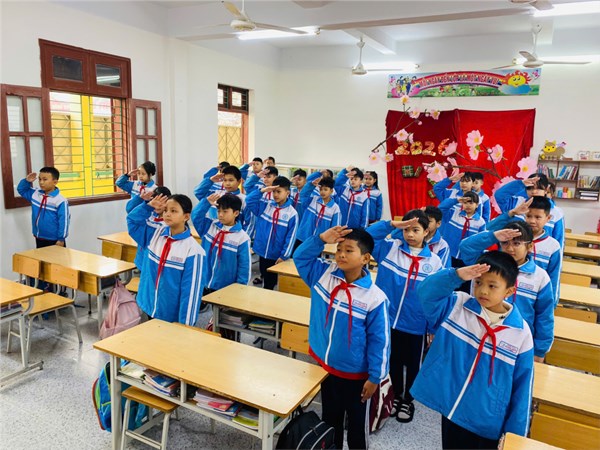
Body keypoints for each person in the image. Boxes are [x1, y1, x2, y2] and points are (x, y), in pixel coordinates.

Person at [411, 252, 534, 449]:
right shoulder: (458, 306)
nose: (483, 290)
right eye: (478, 282)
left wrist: (514, 437)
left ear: (509, 291)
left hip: (487, 420)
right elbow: (425, 291)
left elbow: (523, 390)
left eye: (492, 286)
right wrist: (457, 275)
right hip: (452, 408)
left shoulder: (520, 333)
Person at [294, 226, 390, 450]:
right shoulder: (323, 275)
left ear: (365, 258)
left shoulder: (374, 298)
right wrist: (320, 239)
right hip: (325, 368)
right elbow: (300, 257)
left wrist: (375, 377)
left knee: (356, 427)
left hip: (356, 375)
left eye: (349, 250)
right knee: (330, 420)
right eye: (338, 249)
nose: (341, 255)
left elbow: (380, 341)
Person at [367, 210, 443, 423]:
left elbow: (437, 297)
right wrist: (392, 224)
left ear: (426, 232)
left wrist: (433, 327)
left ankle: (408, 400)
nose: (409, 234)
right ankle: (394, 394)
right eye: (406, 229)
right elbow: (367, 236)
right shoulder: (389, 249)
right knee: (392, 359)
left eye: (415, 230)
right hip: (387, 320)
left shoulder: (434, 262)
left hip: (416, 324)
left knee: (412, 365)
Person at [460, 220, 554, 361]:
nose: (510, 248)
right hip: (475, 333)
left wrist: (539, 351)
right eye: (505, 243)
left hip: (515, 342)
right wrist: (493, 236)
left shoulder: (540, 277)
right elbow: (465, 247)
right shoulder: (486, 263)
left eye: (516, 243)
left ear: (530, 246)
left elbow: (544, 316)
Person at [127, 193, 206, 325]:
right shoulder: (155, 234)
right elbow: (132, 222)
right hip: (149, 304)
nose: (168, 214)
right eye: (165, 210)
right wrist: (147, 207)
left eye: (173, 211)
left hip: (170, 314)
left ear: (186, 216)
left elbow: (191, 293)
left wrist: (185, 325)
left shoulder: (193, 251)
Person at [192, 193, 251, 296]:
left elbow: (244, 266)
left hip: (225, 287)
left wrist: (240, 289)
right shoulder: (210, 226)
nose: (220, 215)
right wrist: (206, 203)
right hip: (203, 280)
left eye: (225, 211)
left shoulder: (242, 238)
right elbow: (195, 217)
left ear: (236, 213)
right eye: (218, 211)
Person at [245, 176, 298, 290]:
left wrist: (284, 255)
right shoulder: (266, 205)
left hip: (276, 255)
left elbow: (291, 237)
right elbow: (249, 200)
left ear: (287, 192)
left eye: (279, 191)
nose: (275, 195)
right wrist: (262, 191)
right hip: (262, 251)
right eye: (274, 191)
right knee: (264, 276)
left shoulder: (292, 213)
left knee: (270, 283)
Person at [494, 174, 565, 247]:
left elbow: (559, 239)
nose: (534, 191)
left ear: (546, 189)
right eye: (529, 188)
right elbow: (500, 195)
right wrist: (521, 183)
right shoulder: (517, 203)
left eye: (538, 188)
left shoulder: (556, 212)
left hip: (541, 252)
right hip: (512, 250)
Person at [18, 167, 70, 250]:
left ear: (55, 182)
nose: (41, 182)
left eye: (45, 179)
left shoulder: (60, 200)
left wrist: (61, 239)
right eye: (39, 179)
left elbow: (64, 221)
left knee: (55, 258)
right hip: (39, 237)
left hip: (54, 240)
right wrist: (27, 181)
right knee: (41, 258)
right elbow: (21, 190)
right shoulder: (35, 194)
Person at [293, 177, 341, 253]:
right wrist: (311, 185)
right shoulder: (313, 200)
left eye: (325, 189)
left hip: (319, 242)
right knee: (295, 257)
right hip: (303, 237)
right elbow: (303, 194)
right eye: (321, 189)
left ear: (331, 191)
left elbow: (335, 228)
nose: (322, 192)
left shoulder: (335, 208)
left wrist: (329, 242)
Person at [438, 191, 486, 263]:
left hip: (466, 257)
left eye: (471, 203)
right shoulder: (454, 213)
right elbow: (441, 208)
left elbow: (481, 243)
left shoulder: (480, 222)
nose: (468, 205)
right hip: (448, 253)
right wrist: (456, 200)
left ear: (477, 205)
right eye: (465, 203)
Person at [132, 186, 172, 271]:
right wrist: (144, 202)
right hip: (142, 260)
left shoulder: (170, 223)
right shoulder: (148, 214)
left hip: (156, 264)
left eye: (162, 202)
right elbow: (131, 214)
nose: (158, 205)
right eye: (155, 201)